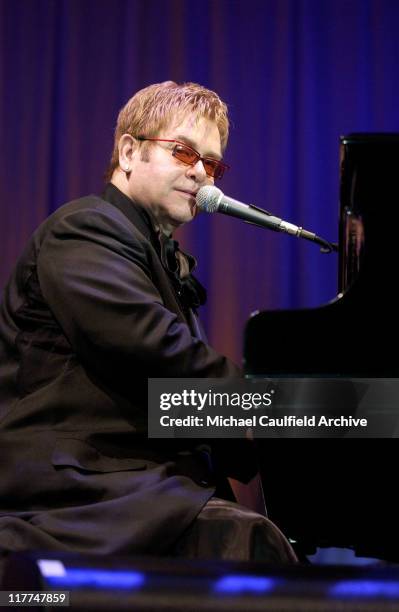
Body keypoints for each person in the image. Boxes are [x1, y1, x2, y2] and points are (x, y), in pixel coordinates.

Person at [0, 81, 297, 563]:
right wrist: (278, 412)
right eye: (183, 152)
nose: (202, 173)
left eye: (212, 164)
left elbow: (170, 399)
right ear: (128, 151)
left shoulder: (158, 254)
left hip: (135, 479)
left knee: (258, 537)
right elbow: (152, 351)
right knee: (248, 545)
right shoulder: (84, 229)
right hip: (75, 485)